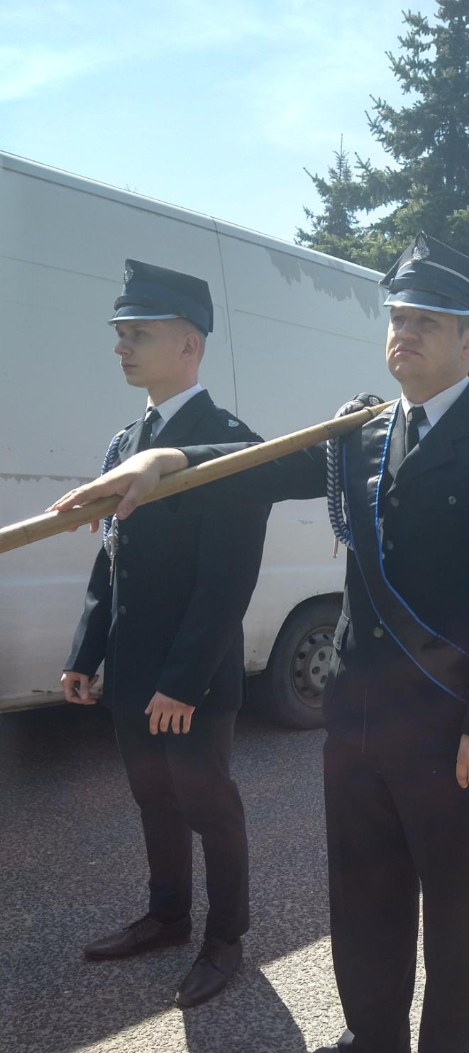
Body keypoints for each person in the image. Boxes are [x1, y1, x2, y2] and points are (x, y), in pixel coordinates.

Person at [51, 234, 469, 1053]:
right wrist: (163, 462)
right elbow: (256, 462)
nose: (402, 336)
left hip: (452, 727)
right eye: (397, 320)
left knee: (450, 908)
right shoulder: (356, 432)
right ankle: (372, 1041)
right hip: (357, 717)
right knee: (360, 891)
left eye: (425, 324)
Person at [61, 261, 269, 1007]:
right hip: (132, 668)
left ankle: (225, 938)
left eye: (138, 334)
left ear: (189, 345)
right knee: (154, 800)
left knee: (209, 805)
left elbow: (227, 581)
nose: (122, 346)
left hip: (194, 677)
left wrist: (183, 681)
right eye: (120, 334)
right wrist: (86, 653)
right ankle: (168, 916)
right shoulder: (126, 443)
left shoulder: (230, 445)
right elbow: (108, 555)